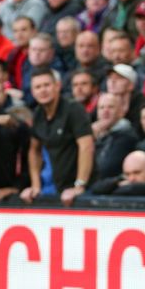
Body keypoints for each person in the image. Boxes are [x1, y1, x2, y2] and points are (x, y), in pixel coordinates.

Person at [21, 67, 95, 206]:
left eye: (47, 85)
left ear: (57, 86)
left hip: (85, 189)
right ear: (32, 92)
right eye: (38, 87)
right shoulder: (37, 114)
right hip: (58, 187)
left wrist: (79, 186)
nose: (43, 90)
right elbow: (34, 150)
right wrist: (36, 186)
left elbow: (86, 146)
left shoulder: (74, 109)